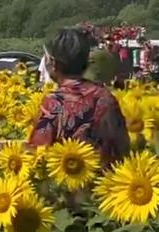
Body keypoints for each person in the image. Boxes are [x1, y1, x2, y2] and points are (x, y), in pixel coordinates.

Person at [29, 28, 129, 166]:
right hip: (110, 183)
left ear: (52, 63)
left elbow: (39, 152)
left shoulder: (54, 102)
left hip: (67, 181)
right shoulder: (106, 97)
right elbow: (123, 147)